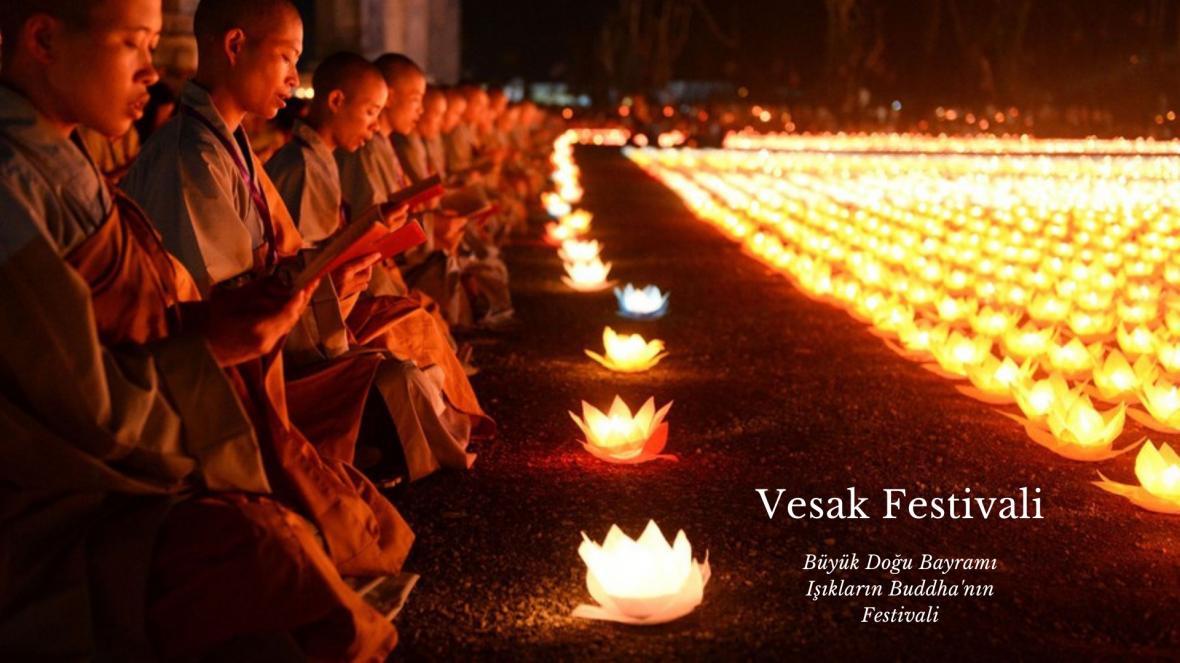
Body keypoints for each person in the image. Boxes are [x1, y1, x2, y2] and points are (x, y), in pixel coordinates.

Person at [0, 0, 405, 658]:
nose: (152, 71)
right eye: (134, 44)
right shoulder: (15, 182)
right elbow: (84, 403)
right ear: (44, 39)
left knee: (301, 523)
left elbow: (154, 308)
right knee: (265, 547)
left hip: (158, 413)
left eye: (156, 45)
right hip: (72, 493)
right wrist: (216, 346)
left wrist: (237, 323)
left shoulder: (57, 153)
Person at [265, 51, 492, 467]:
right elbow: (307, 264)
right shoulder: (301, 164)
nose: (375, 124)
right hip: (307, 322)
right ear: (335, 101)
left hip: (333, 302)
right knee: (407, 332)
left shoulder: (319, 160)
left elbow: (324, 247)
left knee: (416, 316)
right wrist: (369, 242)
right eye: (371, 111)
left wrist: (380, 226)